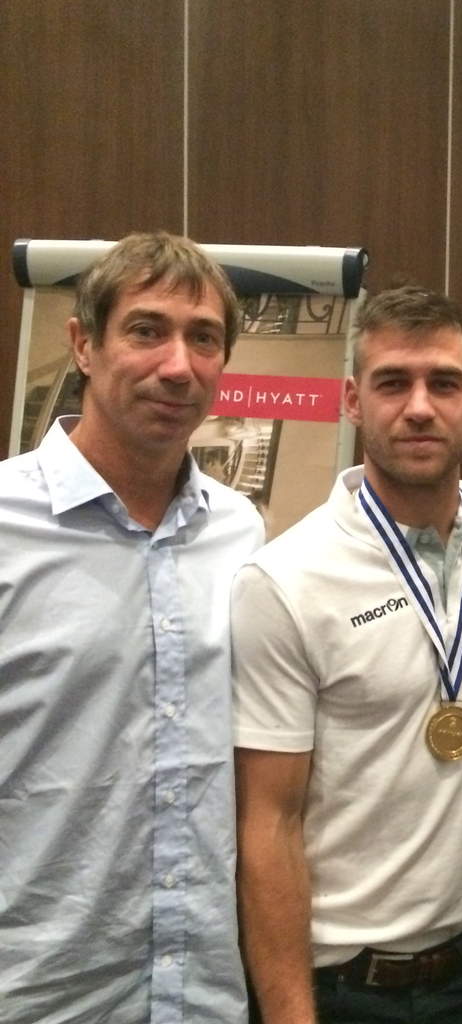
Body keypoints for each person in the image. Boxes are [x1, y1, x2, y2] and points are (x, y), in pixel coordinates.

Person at [232, 285, 462, 1024]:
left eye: (441, 383)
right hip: (345, 988)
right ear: (352, 400)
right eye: (392, 382)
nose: (418, 407)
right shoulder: (284, 580)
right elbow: (267, 826)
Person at [0, 232, 265, 1023]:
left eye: (204, 338)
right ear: (84, 344)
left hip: (203, 990)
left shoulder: (241, 532)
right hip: (39, 992)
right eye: (147, 330)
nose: (177, 365)